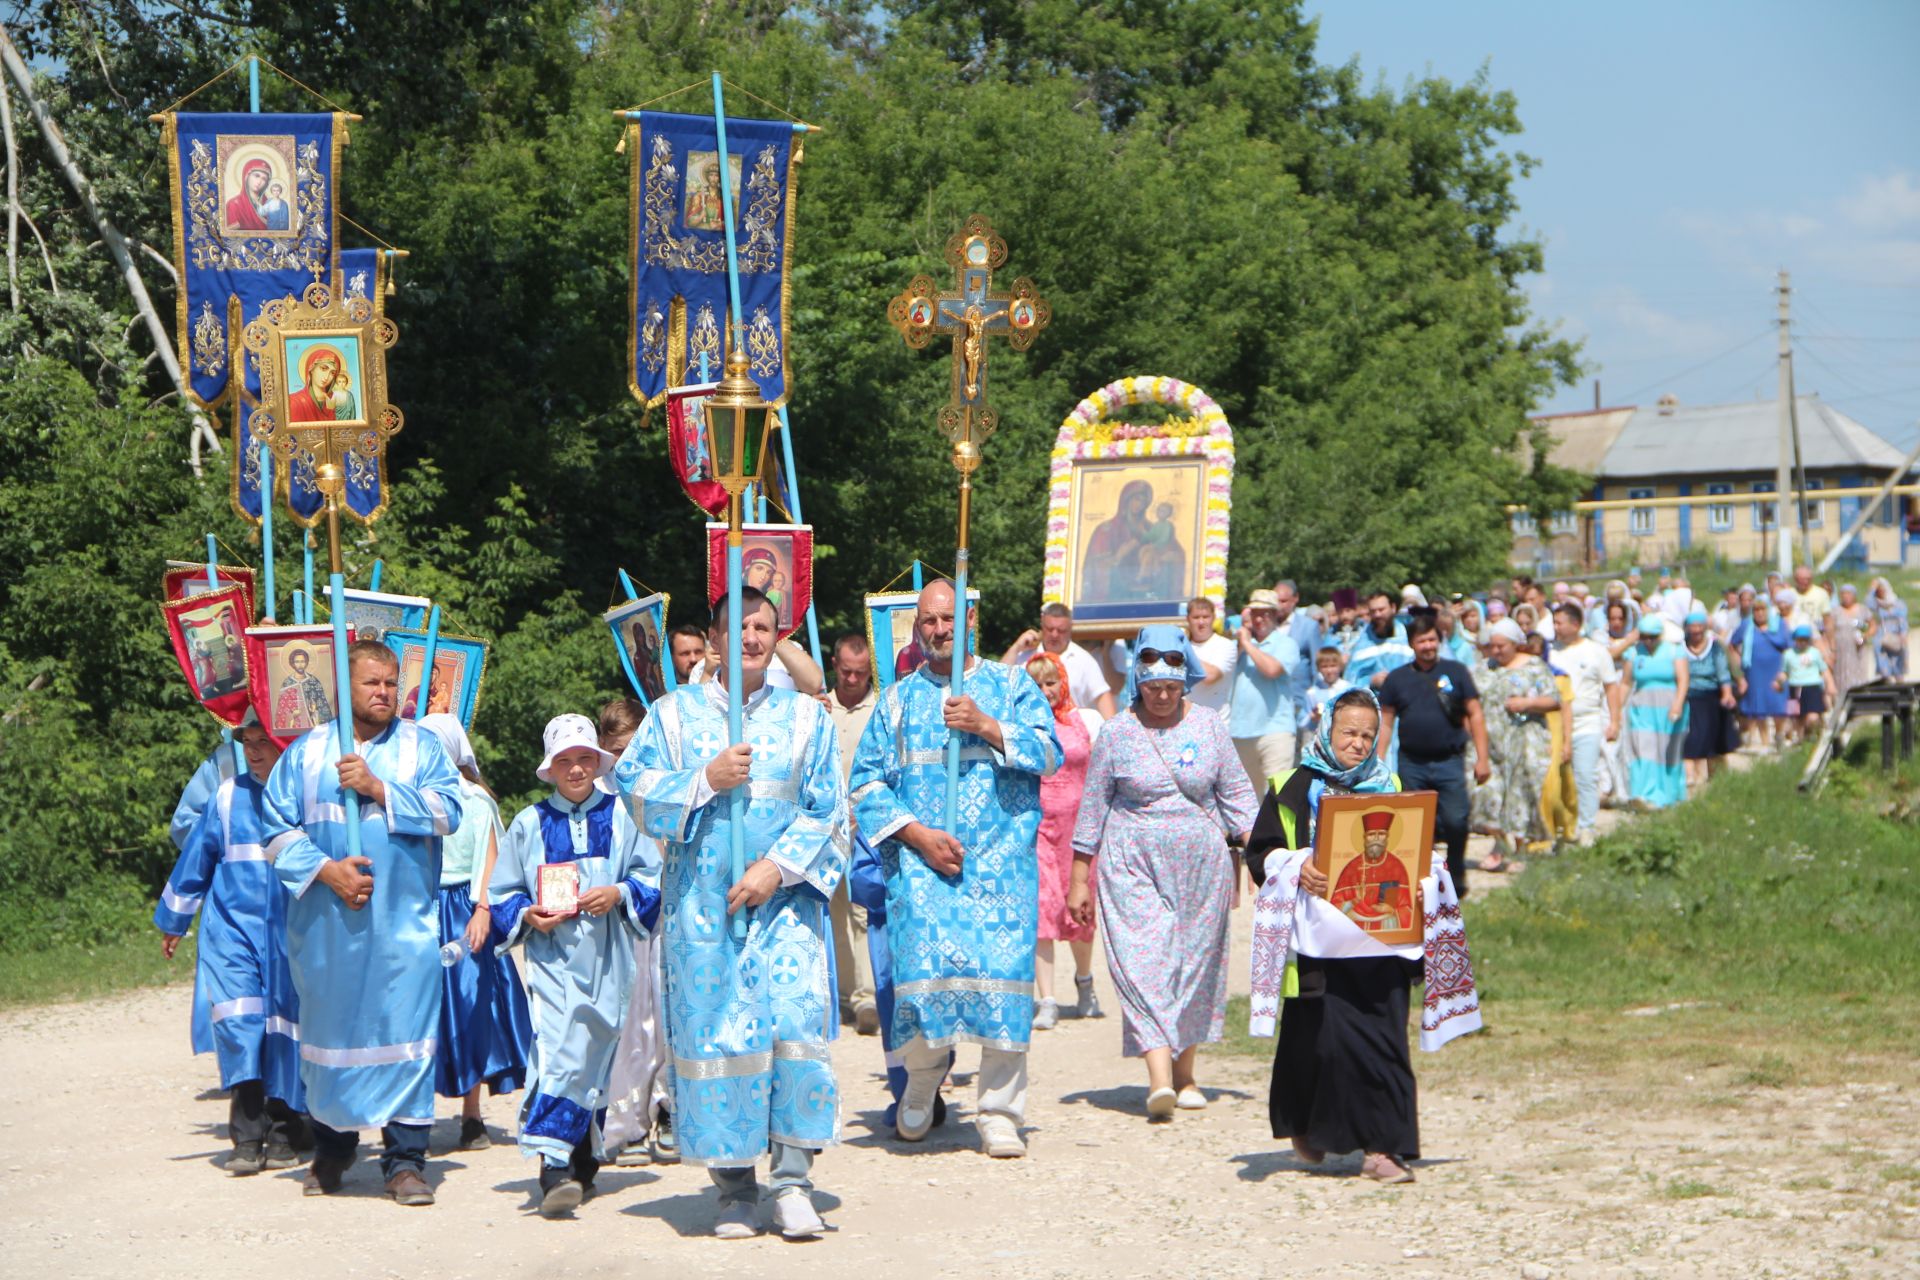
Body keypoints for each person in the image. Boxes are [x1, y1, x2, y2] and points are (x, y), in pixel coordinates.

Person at [619, 586, 847, 1240]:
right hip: (704, 913)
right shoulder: (671, 716)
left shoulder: (808, 719)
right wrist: (702, 781)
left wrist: (776, 867)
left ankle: (794, 1181)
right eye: (738, 627)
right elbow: (632, 790)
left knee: (792, 1028)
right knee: (720, 1038)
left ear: (778, 636)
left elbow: (831, 811)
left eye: (763, 626)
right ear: (713, 640)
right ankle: (734, 1189)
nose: (750, 637)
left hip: (786, 910)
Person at [850, 580, 1060, 1161]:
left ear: (969, 619)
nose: (938, 630)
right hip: (923, 870)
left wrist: (989, 726)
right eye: (928, 622)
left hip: (999, 869)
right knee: (921, 981)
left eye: (947, 619)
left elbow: (1051, 753)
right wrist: (915, 835)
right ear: (915, 627)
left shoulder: (1013, 685)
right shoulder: (896, 701)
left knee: (1002, 982)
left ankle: (998, 1111)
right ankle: (922, 1080)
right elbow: (864, 784)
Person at [1244, 688, 1479, 1185]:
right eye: (1348, 732)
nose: (1357, 743)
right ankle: (1308, 1126)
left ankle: (1383, 1149)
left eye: (1367, 735)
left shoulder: (1390, 785)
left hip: (1382, 940)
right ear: (1327, 729)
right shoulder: (1290, 786)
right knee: (1318, 1043)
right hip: (1316, 946)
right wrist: (1295, 866)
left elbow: (1411, 846)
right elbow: (1259, 855)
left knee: (1385, 1041)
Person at [259, 640, 464, 1206]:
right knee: (334, 1037)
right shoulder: (305, 754)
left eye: (391, 683)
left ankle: (404, 1161)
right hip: (330, 934)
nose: (384, 693)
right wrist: (327, 871)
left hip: (403, 930)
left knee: (405, 1036)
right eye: (372, 683)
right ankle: (333, 1146)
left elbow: (451, 812)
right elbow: (273, 833)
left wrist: (379, 789)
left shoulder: (421, 748)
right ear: (344, 689)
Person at [1067, 625, 1256, 1120]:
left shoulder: (1210, 726)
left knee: (1194, 963)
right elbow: (1093, 810)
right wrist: (1080, 879)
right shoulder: (1116, 732)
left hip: (1201, 866)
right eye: (1153, 688)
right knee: (1143, 961)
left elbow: (1237, 796)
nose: (1163, 697)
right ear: (1138, 682)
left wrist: (1269, 854)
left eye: (1172, 688)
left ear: (1186, 680)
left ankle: (1186, 1071)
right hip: (1131, 863)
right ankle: (1158, 1079)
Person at [489, 714, 659, 1217]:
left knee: (597, 1051)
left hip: (608, 960)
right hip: (553, 962)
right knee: (560, 1052)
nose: (578, 769)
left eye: (586, 758)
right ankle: (552, 1165)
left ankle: (583, 1160)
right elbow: (502, 892)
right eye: (566, 760)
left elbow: (650, 878)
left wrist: (619, 892)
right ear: (551, 766)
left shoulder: (625, 816)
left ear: (599, 762)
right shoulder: (528, 823)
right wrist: (527, 914)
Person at [155, 715, 309, 1175]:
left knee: (286, 1026)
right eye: (248, 742)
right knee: (240, 1022)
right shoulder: (226, 795)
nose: (255, 750)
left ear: (284, 744)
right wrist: (175, 920)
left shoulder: (303, 797)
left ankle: (284, 1130)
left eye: (264, 741)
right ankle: (246, 1136)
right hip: (232, 930)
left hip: (290, 931)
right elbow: (196, 858)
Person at [419, 713, 530, 1153]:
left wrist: (483, 908)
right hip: (419, 909)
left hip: (462, 910)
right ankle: (415, 1112)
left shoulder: (476, 801)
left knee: (470, 1008)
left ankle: (471, 1113)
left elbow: (490, 857)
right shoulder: (408, 799)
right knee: (422, 1011)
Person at [591, 701, 677, 1169]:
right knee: (624, 1021)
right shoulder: (598, 797)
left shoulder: (660, 784)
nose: (626, 761)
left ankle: (665, 1108)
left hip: (661, 916)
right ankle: (621, 1120)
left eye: (634, 749)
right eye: (618, 751)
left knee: (664, 1016)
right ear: (604, 749)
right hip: (617, 923)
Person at [1377, 614, 1490, 890]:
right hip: (1411, 762)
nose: (1427, 645)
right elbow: (1387, 721)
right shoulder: (1397, 679)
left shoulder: (1457, 671)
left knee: (1456, 819)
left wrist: (1483, 758)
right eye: (1421, 640)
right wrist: (1378, 760)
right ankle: (1423, 877)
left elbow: (1475, 714)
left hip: (1449, 760)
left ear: (1439, 640)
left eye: (1431, 639)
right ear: (1412, 644)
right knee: (1417, 824)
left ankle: (1456, 870)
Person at [1025, 651, 1104, 1030]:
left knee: (1080, 911)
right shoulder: (1021, 726)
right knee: (1042, 911)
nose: (1045, 690)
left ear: (1063, 683)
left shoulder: (1084, 721)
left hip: (1078, 829)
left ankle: (1085, 983)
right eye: (1037, 684)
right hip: (1037, 827)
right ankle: (1047, 999)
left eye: (1050, 682)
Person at [822, 633, 880, 1034]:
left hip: (865, 826)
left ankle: (866, 998)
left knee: (862, 911)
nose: (854, 679)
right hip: (825, 826)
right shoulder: (818, 708)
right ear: (834, 666)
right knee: (834, 911)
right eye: (847, 672)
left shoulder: (879, 709)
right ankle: (843, 993)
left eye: (861, 673)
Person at [1475, 619, 1560, 868]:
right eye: (1492, 646)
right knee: (1490, 795)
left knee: (1521, 795)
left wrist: (1526, 704)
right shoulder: (1484, 669)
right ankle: (1500, 843)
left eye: (1502, 646)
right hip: (1491, 744)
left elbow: (1554, 699)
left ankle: (1515, 850)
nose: (1497, 651)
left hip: (1524, 741)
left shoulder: (1533, 667)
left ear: (1516, 644)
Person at [1546, 603, 1622, 843]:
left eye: (1560, 622)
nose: (1556, 627)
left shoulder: (1596, 651)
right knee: (1558, 777)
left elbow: (1611, 687)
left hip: (1587, 721)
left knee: (1585, 775)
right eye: (1554, 622)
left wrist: (1615, 721)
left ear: (1576, 624)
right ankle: (1562, 824)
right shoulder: (1550, 652)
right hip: (1555, 724)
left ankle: (1586, 826)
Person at [1228, 588, 1302, 799]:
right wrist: (1241, 642)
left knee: (1277, 795)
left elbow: (1271, 670)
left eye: (1266, 613)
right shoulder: (1239, 645)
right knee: (1248, 799)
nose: (1260, 618)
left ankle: (1278, 833)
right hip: (1240, 731)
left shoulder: (1286, 643)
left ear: (1276, 614)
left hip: (1275, 731)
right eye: (1256, 613)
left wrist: (1247, 645)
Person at [1619, 615, 1690, 809]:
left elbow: (1683, 680)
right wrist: (1616, 710)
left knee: (1667, 750)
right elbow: (1625, 683)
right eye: (1644, 637)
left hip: (1669, 706)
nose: (1648, 641)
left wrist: (1677, 704)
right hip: (1642, 706)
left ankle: (1668, 794)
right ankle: (1643, 794)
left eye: (1653, 637)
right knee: (1644, 748)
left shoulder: (1675, 651)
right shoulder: (1634, 653)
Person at [1002, 602, 1118, 718]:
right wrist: (1015, 647)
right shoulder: (1024, 655)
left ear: (1070, 629)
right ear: (1042, 626)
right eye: (1050, 629)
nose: (1054, 635)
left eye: (1061, 630)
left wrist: (1112, 731)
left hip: (1071, 730)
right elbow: (996, 682)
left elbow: (1103, 697)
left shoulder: (1084, 661)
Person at [1680, 609, 1740, 791]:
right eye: (1692, 626)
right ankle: (1693, 776)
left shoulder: (1715, 648)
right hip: (1689, 698)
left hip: (1712, 697)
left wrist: (1727, 694)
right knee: (1692, 738)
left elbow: (1723, 673)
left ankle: (1717, 776)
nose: (1696, 630)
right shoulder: (1680, 648)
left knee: (1714, 737)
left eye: (1699, 626)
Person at [1734, 595, 1792, 750]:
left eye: (1762, 609)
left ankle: (1779, 734)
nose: (1759, 613)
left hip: (1776, 671)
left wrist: (1786, 670)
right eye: (1756, 610)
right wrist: (1739, 663)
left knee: (1778, 705)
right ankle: (1765, 742)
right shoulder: (1747, 625)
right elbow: (1732, 645)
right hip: (1754, 672)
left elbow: (1789, 646)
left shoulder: (1779, 624)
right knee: (1758, 707)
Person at [1271, 579, 1323, 740]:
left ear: (1295, 599)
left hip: (1299, 702)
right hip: (1271, 702)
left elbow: (1318, 665)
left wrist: (1315, 700)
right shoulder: (1266, 626)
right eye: (1276, 601)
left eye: (1284, 601)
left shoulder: (1308, 626)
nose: (1279, 605)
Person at [1344, 591, 1414, 691]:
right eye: (1373, 611)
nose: (1377, 615)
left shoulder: (1407, 636)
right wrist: (1371, 681)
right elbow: (1349, 680)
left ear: (1393, 608)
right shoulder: (1362, 643)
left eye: (1381, 610)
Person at [1777, 624, 1836, 739]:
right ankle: (1801, 740)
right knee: (1797, 717)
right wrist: (1779, 681)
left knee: (1812, 716)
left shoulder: (1814, 653)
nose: (1802, 642)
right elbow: (1785, 672)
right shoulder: (1789, 654)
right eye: (1800, 639)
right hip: (1795, 687)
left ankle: (1813, 733)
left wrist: (1830, 685)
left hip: (1812, 686)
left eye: (1805, 640)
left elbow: (1824, 670)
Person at [1183, 596, 1238, 714]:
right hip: (1185, 721)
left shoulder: (1226, 645)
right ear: (1188, 619)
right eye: (1196, 617)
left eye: (1205, 617)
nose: (1201, 622)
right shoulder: (1182, 647)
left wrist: (1183, 651)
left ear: (1213, 618)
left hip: (1217, 720)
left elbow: (1210, 677)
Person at [1829, 583, 1878, 699]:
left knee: (1859, 669)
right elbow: (1830, 629)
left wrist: (1865, 636)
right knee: (1841, 671)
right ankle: (1842, 697)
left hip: (1857, 646)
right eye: (1843, 594)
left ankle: (1860, 696)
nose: (1846, 597)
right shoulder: (1835, 611)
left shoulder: (1862, 609)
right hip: (1841, 646)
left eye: (1848, 594)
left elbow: (1873, 626)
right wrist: (1832, 646)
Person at [1869, 577, 1909, 680]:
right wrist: (1872, 589)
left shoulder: (1898, 603)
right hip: (1881, 636)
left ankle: (1900, 687)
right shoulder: (1876, 604)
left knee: (1898, 664)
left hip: (1895, 635)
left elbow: (1902, 620)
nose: (1881, 593)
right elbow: (1868, 604)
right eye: (1878, 591)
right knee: (1883, 666)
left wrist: (1903, 634)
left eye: (1882, 590)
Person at [1305, 645, 1353, 726]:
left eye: (1333, 666)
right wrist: (1312, 717)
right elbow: (1303, 720)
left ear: (1340, 666)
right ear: (1318, 668)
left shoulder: (1350, 690)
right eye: (1324, 666)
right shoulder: (1312, 692)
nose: (1329, 670)